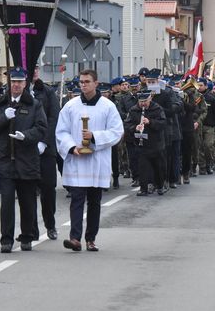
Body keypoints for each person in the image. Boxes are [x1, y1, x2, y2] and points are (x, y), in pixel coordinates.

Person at [56, 69, 123, 251]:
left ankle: (91, 238)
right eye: (81, 82)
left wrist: (95, 137)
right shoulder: (70, 106)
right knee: (77, 198)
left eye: (87, 81)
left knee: (94, 201)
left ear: (96, 83)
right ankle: (75, 238)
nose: (83, 85)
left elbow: (117, 132)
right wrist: (71, 147)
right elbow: (61, 131)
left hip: (97, 160)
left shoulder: (107, 106)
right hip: (78, 161)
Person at [0, 67, 48, 252]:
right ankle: (6, 239)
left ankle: (27, 236)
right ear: (9, 83)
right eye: (13, 81)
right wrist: (3, 118)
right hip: (5, 159)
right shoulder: (0, 104)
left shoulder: (34, 104)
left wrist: (26, 136)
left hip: (26, 159)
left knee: (27, 201)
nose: (16, 85)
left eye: (19, 82)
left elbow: (41, 128)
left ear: (25, 84)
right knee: (6, 202)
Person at [30, 66, 61, 240]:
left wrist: (43, 142)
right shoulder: (16, 92)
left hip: (46, 149)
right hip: (25, 150)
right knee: (28, 192)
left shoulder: (48, 92)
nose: (33, 72)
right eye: (30, 69)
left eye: (35, 68)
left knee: (48, 189)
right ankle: (31, 229)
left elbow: (54, 118)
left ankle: (50, 224)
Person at [124, 90, 166, 196]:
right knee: (143, 167)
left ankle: (160, 186)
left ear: (150, 99)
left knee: (157, 167)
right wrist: (135, 127)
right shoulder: (133, 110)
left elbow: (163, 123)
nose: (143, 104)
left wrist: (150, 122)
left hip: (155, 143)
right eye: (141, 101)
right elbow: (127, 125)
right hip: (141, 144)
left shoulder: (157, 109)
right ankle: (143, 189)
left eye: (145, 101)